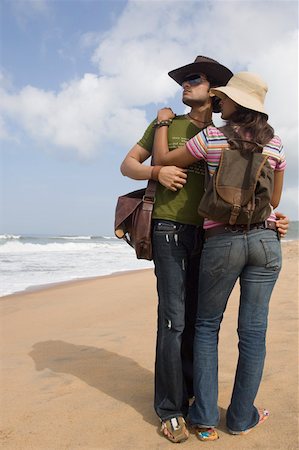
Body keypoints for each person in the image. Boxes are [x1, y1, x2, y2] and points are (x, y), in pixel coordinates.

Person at [120, 57, 289, 443]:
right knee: (224, 328)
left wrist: (274, 216)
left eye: (198, 81)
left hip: (217, 239)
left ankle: (203, 411)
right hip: (224, 235)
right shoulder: (273, 143)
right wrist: (157, 163)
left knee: (203, 325)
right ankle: (208, 413)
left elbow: (166, 160)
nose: (189, 85)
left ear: (223, 98)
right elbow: (274, 198)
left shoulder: (213, 136)